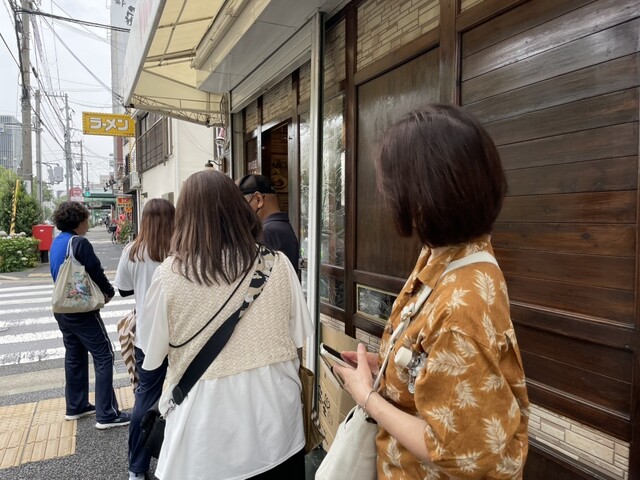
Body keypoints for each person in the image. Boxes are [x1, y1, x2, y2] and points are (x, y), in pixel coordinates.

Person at [333, 105, 529, 479]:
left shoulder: (461, 307)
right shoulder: (455, 251)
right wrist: (391, 365)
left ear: (426, 194)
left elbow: (453, 449)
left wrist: (367, 397)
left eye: (394, 187)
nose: (388, 197)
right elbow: (440, 367)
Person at [141, 170, 313, 479]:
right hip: (278, 426)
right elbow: (299, 335)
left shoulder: (169, 276)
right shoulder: (277, 263)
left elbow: (151, 357)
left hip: (204, 433)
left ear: (185, 218)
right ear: (238, 208)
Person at [49, 201, 131, 429]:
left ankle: (76, 406)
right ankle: (107, 414)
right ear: (79, 221)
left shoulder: (58, 242)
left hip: (62, 308)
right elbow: (95, 270)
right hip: (81, 310)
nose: (87, 223)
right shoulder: (79, 243)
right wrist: (108, 292)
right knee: (104, 355)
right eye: (85, 219)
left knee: (74, 355)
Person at [114, 198, 175, 480]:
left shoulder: (132, 250)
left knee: (145, 397)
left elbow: (123, 290)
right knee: (183, 395)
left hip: (147, 337)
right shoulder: (181, 250)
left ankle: (136, 468)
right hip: (180, 335)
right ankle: (175, 461)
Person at [237, 174, 300, 273]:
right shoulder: (281, 228)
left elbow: (259, 280)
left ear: (258, 199)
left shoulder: (267, 232)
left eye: (240, 206)